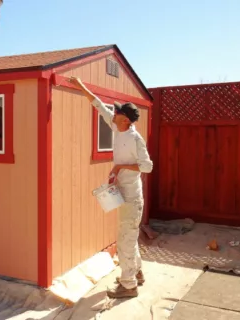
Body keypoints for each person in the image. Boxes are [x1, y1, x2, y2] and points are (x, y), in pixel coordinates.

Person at [70, 77, 153, 299]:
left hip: (132, 198)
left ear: (125, 119)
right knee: (129, 237)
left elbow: (148, 166)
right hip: (123, 195)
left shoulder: (136, 139)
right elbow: (98, 104)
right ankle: (137, 273)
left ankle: (128, 286)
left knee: (125, 239)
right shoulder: (118, 129)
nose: (113, 115)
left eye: (117, 114)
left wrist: (119, 167)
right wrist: (80, 86)